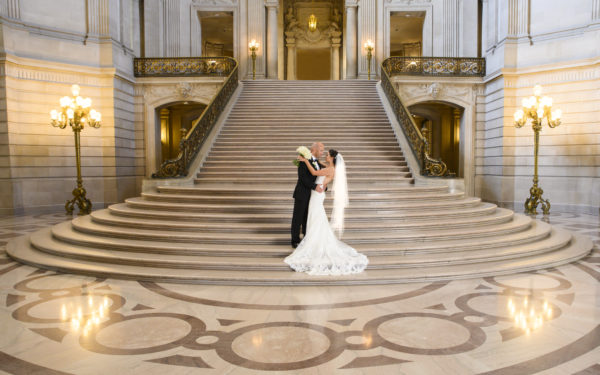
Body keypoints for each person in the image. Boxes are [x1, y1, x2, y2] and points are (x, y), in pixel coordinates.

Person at [285, 149, 369, 275]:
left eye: (328, 155)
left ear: (332, 158)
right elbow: (318, 164)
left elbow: (314, 172)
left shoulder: (330, 169)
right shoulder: (330, 167)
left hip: (317, 195)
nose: (325, 155)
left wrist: (305, 161)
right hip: (316, 194)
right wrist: (310, 159)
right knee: (314, 217)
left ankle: (313, 240)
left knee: (315, 216)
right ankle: (310, 238)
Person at [291, 142, 325, 248]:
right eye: (321, 150)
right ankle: (295, 239)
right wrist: (315, 187)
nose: (322, 152)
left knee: (307, 218)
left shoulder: (318, 163)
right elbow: (303, 178)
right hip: (302, 194)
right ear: (314, 150)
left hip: (312, 196)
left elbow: (321, 177)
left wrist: (324, 187)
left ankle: (306, 237)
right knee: (298, 218)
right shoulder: (303, 160)